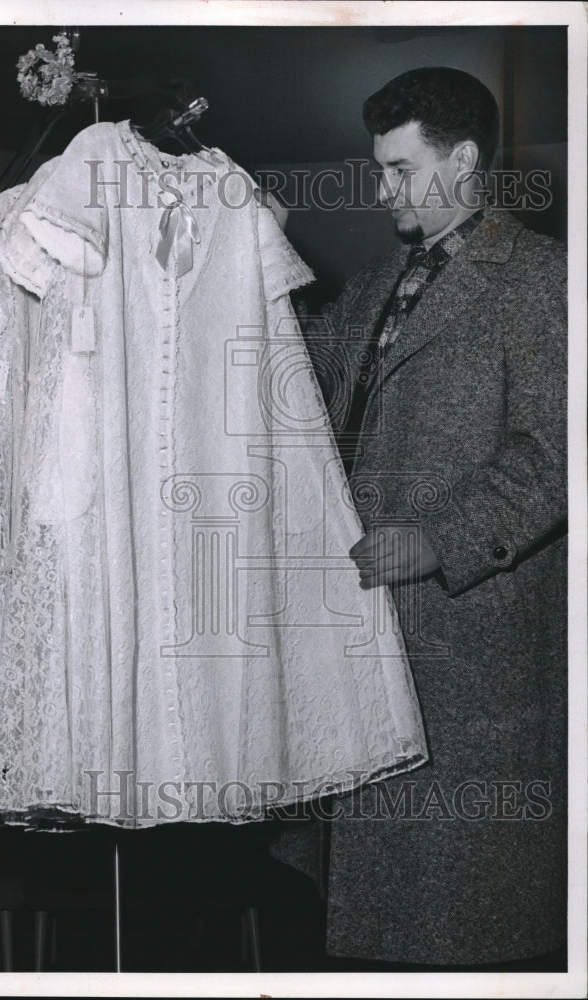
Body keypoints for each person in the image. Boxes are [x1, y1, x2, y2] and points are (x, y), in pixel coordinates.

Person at [276, 66, 568, 970]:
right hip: (373, 639)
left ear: (464, 159)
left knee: (466, 926)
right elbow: (299, 401)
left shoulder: (541, 281)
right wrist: (258, 259)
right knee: (379, 930)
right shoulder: (371, 287)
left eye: (399, 169)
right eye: (379, 169)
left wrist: (439, 538)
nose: (381, 188)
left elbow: (558, 452)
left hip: (473, 650)